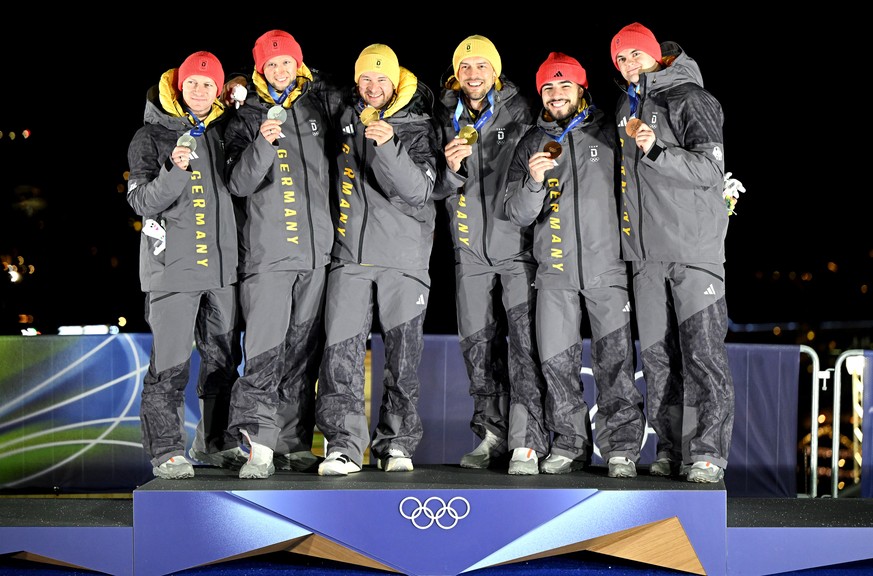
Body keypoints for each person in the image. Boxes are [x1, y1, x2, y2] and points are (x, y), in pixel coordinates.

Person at [504, 52, 644, 477]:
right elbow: (516, 211)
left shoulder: (607, 130)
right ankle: (569, 443)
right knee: (557, 364)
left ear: (581, 88)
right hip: (555, 273)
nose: (556, 94)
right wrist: (531, 180)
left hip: (608, 269)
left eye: (564, 85)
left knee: (615, 363)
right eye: (548, 87)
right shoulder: (531, 140)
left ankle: (621, 448)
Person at [610, 23, 734, 483]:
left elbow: (710, 168)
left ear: (654, 54)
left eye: (634, 56)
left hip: (693, 250)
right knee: (659, 358)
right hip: (645, 255)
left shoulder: (691, 98)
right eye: (620, 60)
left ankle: (707, 453)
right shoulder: (628, 105)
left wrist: (658, 151)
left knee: (701, 355)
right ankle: (670, 448)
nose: (627, 65)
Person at [315, 43, 439, 476]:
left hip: (404, 260)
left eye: (381, 79)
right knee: (340, 358)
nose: (372, 87)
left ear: (396, 81)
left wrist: (388, 146)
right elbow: (301, 84)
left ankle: (397, 443)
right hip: (349, 258)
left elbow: (419, 191)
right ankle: (343, 446)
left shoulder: (419, 124)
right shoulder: (345, 114)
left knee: (403, 360)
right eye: (365, 79)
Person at [223, 30, 339, 478]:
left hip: (315, 255)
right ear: (259, 70)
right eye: (271, 65)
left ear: (299, 64)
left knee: (303, 352)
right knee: (265, 352)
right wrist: (262, 145)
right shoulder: (247, 115)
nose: (280, 70)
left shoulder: (317, 105)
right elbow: (237, 183)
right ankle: (258, 444)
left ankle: (292, 442)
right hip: (268, 257)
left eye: (286, 62)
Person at [432, 35, 549, 472]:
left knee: (523, 347)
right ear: (456, 74)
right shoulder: (444, 114)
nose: (473, 75)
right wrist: (450, 169)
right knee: (477, 349)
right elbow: (436, 186)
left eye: (481, 66)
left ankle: (526, 441)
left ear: (495, 72)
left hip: (516, 249)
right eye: (465, 68)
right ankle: (490, 434)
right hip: (469, 253)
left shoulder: (521, 112)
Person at [126, 51, 242, 479]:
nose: (199, 90)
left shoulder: (221, 132)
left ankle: (215, 444)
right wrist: (174, 171)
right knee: (170, 366)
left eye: (208, 85)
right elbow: (141, 200)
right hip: (172, 271)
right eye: (192, 83)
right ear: (179, 87)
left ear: (217, 92)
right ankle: (166, 451)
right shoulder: (150, 136)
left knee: (223, 362)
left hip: (221, 271)